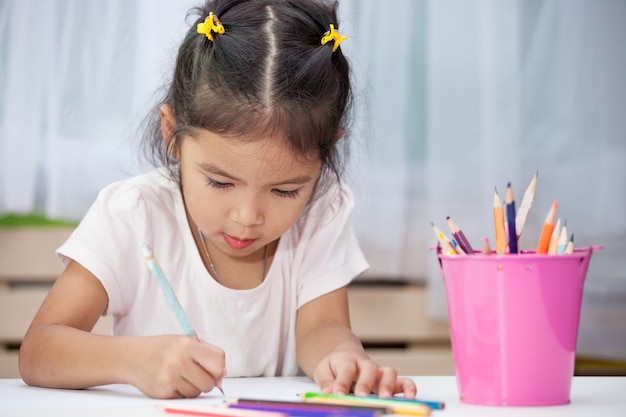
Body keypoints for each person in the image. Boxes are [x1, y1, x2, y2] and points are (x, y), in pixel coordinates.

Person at [19, 0, 418, 400]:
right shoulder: (133, 214)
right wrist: (132, 360)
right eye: (220, 182)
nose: (247, 217)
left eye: (284, 191)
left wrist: (343, 359)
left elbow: (321, 328)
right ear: (172, 133)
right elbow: (39, 350)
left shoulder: (322, 211)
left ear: (327, 151)